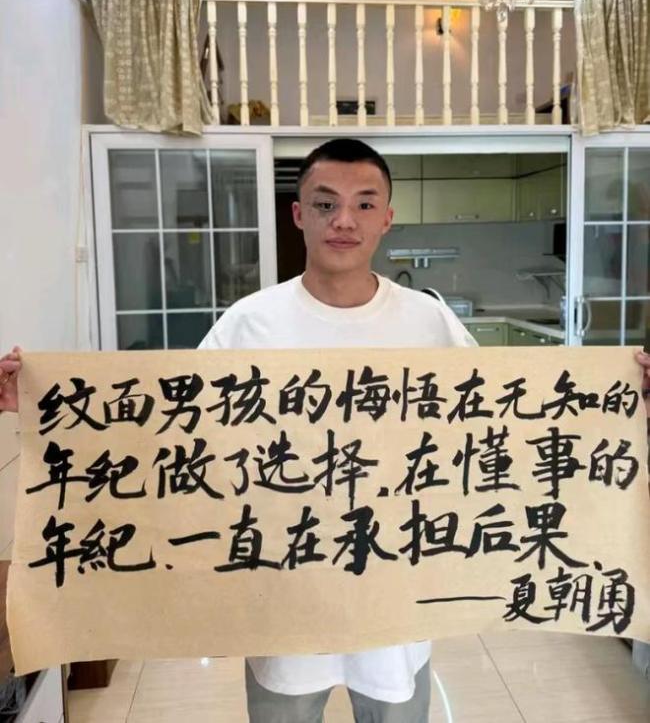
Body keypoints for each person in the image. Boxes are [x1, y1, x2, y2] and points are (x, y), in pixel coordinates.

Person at [1, 139, 650, 723]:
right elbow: (171, 430)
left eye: (364, 203)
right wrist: (37, 402)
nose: (345, 219)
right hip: (285, 592)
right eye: (326, 203)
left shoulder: (429, 322)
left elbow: (505, 425)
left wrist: (623, 396)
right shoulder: (249, 322)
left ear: (387, 217)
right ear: (299, 214)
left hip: (398, 594)